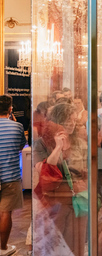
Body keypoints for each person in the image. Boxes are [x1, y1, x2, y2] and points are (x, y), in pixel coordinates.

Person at [32, 103, 88, 256]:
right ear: (57, 121)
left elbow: (86, 168)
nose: (72, 124)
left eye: (74, 120)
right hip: (54, 202)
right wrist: (57, 148)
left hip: (78, 200)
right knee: (53, 246)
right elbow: (42, 170)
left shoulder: (79, 142)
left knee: (76, 245)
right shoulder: (42, 143)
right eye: (67, 120)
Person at [0, 95, 27, 256]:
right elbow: (21, 146)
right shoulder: (16, 126)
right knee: (5, 213)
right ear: (10, 109)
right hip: (10, 176)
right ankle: (2, 248)